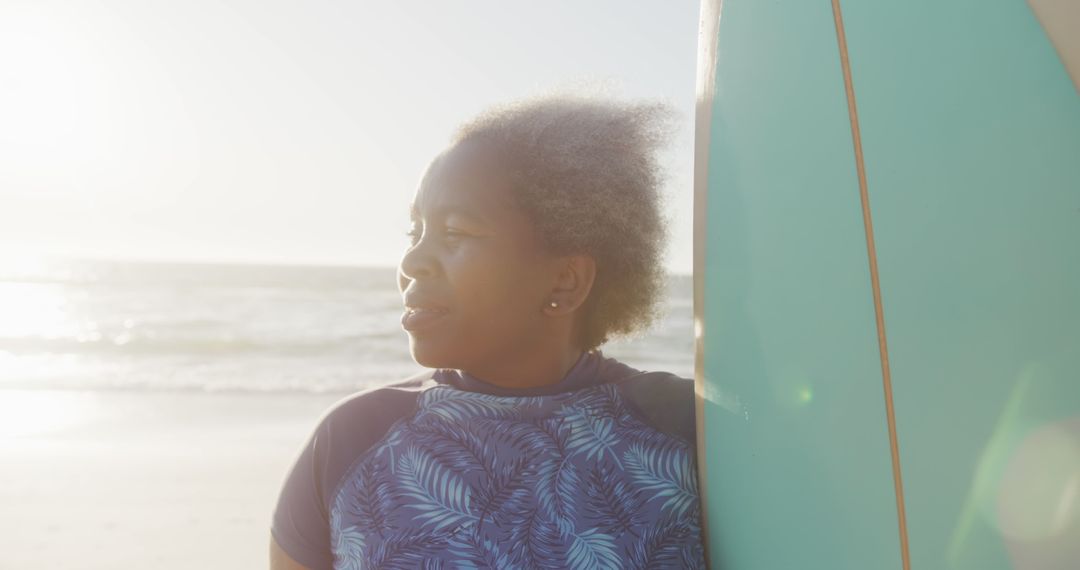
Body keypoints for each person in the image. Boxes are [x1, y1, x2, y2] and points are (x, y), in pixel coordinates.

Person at [270, 96, 704, 569]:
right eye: (415, 232)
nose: (413, 261)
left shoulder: (688, 432)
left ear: (566, 279)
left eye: (455, 232)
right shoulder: (352, 440)